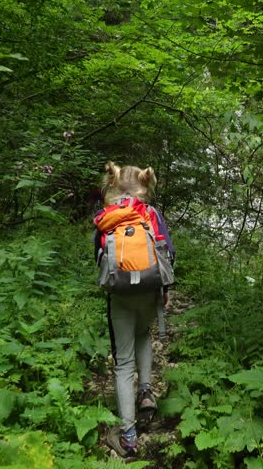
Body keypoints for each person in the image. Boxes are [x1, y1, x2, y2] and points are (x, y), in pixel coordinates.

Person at [95, 162, 175, 459]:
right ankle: (145, 393)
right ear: (145, 185)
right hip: (151, 289)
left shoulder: (106, 216)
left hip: (121, 295)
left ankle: (128, 438)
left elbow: (100, 256)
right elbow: (168, 252)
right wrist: (165, 290)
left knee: (123, 361)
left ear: (112, 185)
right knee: (144, 334)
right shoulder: (150, 214)